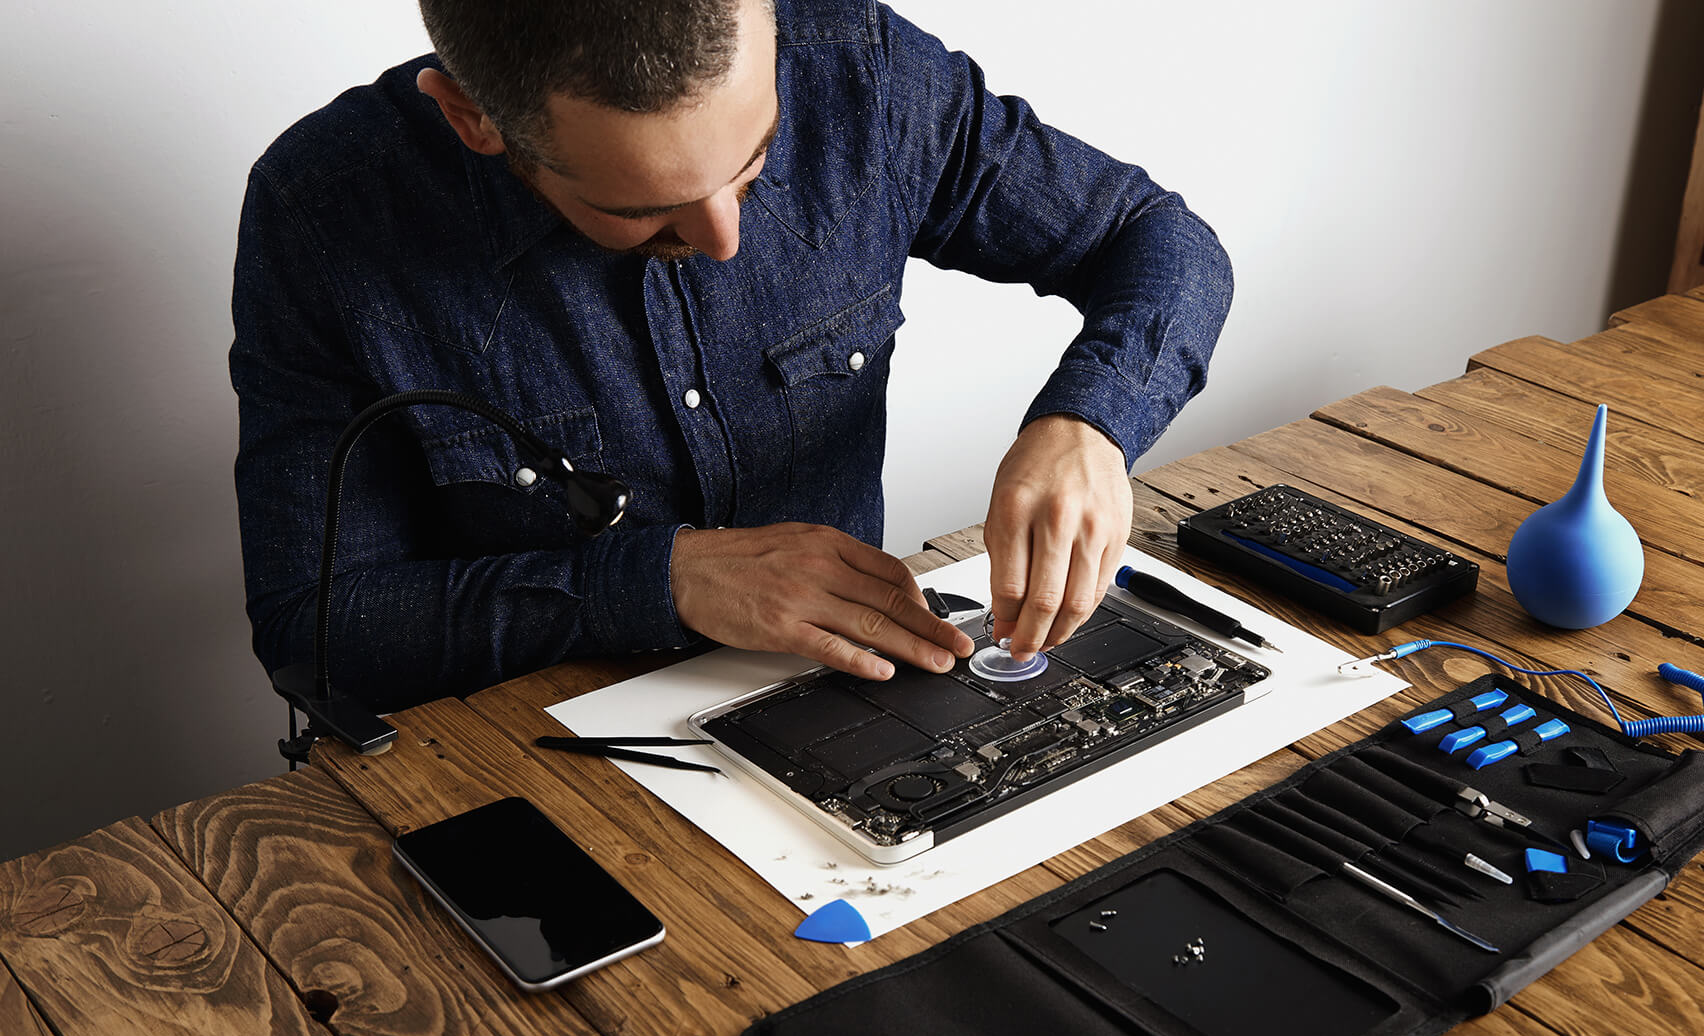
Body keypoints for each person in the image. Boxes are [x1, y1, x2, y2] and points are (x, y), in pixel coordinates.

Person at [230, 0, 1232, 713]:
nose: (721, 240)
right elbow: (319, 629)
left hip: (858, 711)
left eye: (753, 166)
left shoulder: (859, 69)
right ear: (474, 118)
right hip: (538, 772)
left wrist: (1087, 423)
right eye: (644, 209)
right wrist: (659, 580)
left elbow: (1158, 240)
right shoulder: (329, 212)